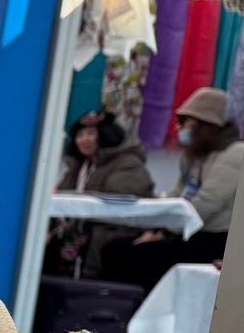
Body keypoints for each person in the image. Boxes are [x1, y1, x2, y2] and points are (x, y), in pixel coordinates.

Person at [105, 88, 243, 291]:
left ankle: (139, 305)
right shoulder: (194, 155)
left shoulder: (234, 154)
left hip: (215, 237)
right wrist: (150, 217)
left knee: (139, 256)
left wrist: (163, 231)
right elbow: (178, 194)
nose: (181, 129)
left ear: (206, 125)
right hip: (187, 230)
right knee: (113, 248)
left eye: (187, 123)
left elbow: (205, 205)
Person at [50, 110, 153, 275]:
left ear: (107, 135)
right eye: (79, 135)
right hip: (79, 231)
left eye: (90, 133)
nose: (84, 139)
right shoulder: (79, 166)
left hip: (111, 232)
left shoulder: (128, 163)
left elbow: (117, 201)